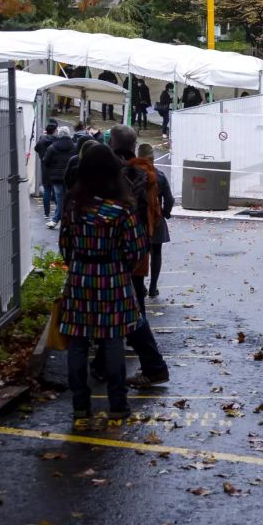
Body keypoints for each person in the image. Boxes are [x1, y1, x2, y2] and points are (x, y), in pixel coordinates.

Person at [58, 142, 147, 419]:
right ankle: (118, 403)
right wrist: (119, 266)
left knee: (78, 342)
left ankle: (80, 405)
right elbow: (136, 249)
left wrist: (78, 263)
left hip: (80, 279)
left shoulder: (74, 206)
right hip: (112, 278)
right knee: (112, 342)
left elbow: (65, 246)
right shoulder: (120, 210)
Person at [93, 125, 170, 388]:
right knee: (132, 307)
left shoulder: (110, 172)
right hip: (137, 247)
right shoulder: (147, 173)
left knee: (119, 311)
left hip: (109, 254)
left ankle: (144, 366)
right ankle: (108, 365)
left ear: (112, 142)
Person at [138, 144, 174, 298]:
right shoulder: (159, 175)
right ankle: (153, 286)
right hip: (156, 217)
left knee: (139, 253)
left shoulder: (132, 174)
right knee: (156, 253)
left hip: (137, 219)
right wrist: (165, 212)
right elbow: (170, 199)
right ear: (152, 159)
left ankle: (139, 286)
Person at [43, 125, 76, 229]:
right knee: (69, 199)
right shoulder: (75, 147)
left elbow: (46, 161)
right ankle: (69, 219)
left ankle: (55, 220)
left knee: (60, 199)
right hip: (71, 177)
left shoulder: (52, 148)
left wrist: (52, 169)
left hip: (57, 178)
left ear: (59, 134)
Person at [34, 120, 58, 220]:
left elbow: (36, 148)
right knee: (57, 191)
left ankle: (46, 213)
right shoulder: (57, 140)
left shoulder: (41, 140)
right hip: (56, 168)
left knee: (47, 190)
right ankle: (58, 212)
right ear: (54, 130)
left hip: (45, 168)